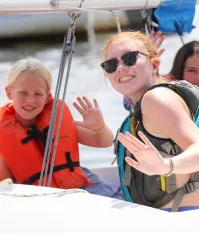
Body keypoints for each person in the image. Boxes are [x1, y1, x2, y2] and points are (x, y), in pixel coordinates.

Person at [101, 31, 199, 212]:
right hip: (182, 215)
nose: (120, 68)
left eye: (130, 58)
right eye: (111, 64)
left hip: (178, 218)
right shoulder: (151, 100)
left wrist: (165, 166)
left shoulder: (156, 99)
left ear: (155, 64)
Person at [0, 57, 122, 199]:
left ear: (47, 97)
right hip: (41, 198)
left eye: (38, 94)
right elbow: (5, 185)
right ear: (9, 93)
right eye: (23, 93)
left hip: (86, 187)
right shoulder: (4, 134)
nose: (30, 100)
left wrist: (99, 127)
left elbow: (104, 142)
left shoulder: (56, 121)